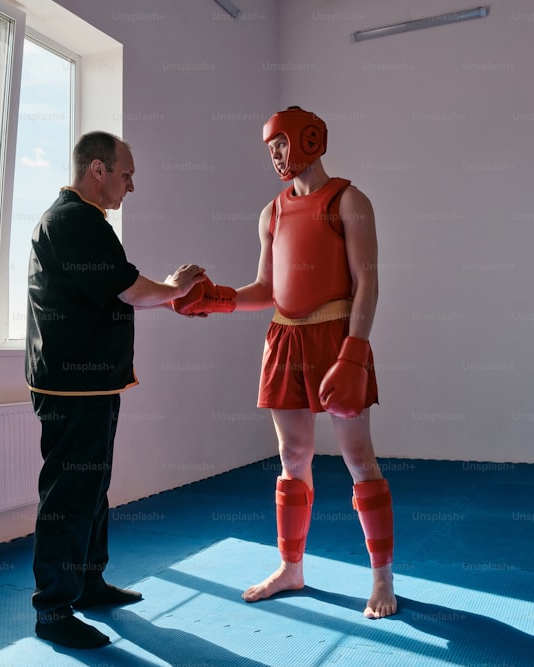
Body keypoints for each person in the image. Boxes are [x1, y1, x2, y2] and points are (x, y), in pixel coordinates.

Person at [172, 106, 397, 619]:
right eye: (269, 149)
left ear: (310, 139)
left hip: (336, 335)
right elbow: (267, 290)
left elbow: (368, 284)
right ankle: (292, 568)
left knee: (358, 458)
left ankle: (382, 578)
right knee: (293, 457)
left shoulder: (349, 200)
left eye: (281, 144)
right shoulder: (270, 213)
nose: (275, 156)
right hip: (285, 339)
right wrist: (217, 298)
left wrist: (354, 352)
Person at [25, 131, 205, 648]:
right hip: (72, 387)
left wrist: (168, 289)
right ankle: (53, 610)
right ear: (98, 169)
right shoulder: (74, 221)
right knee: (70, 494)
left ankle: (86, 582)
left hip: (90, 384)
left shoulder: (84, 222)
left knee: (92, 489)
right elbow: (128, 288)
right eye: (126, 174)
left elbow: (113, 291)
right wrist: (176, 289)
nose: (131, 185)